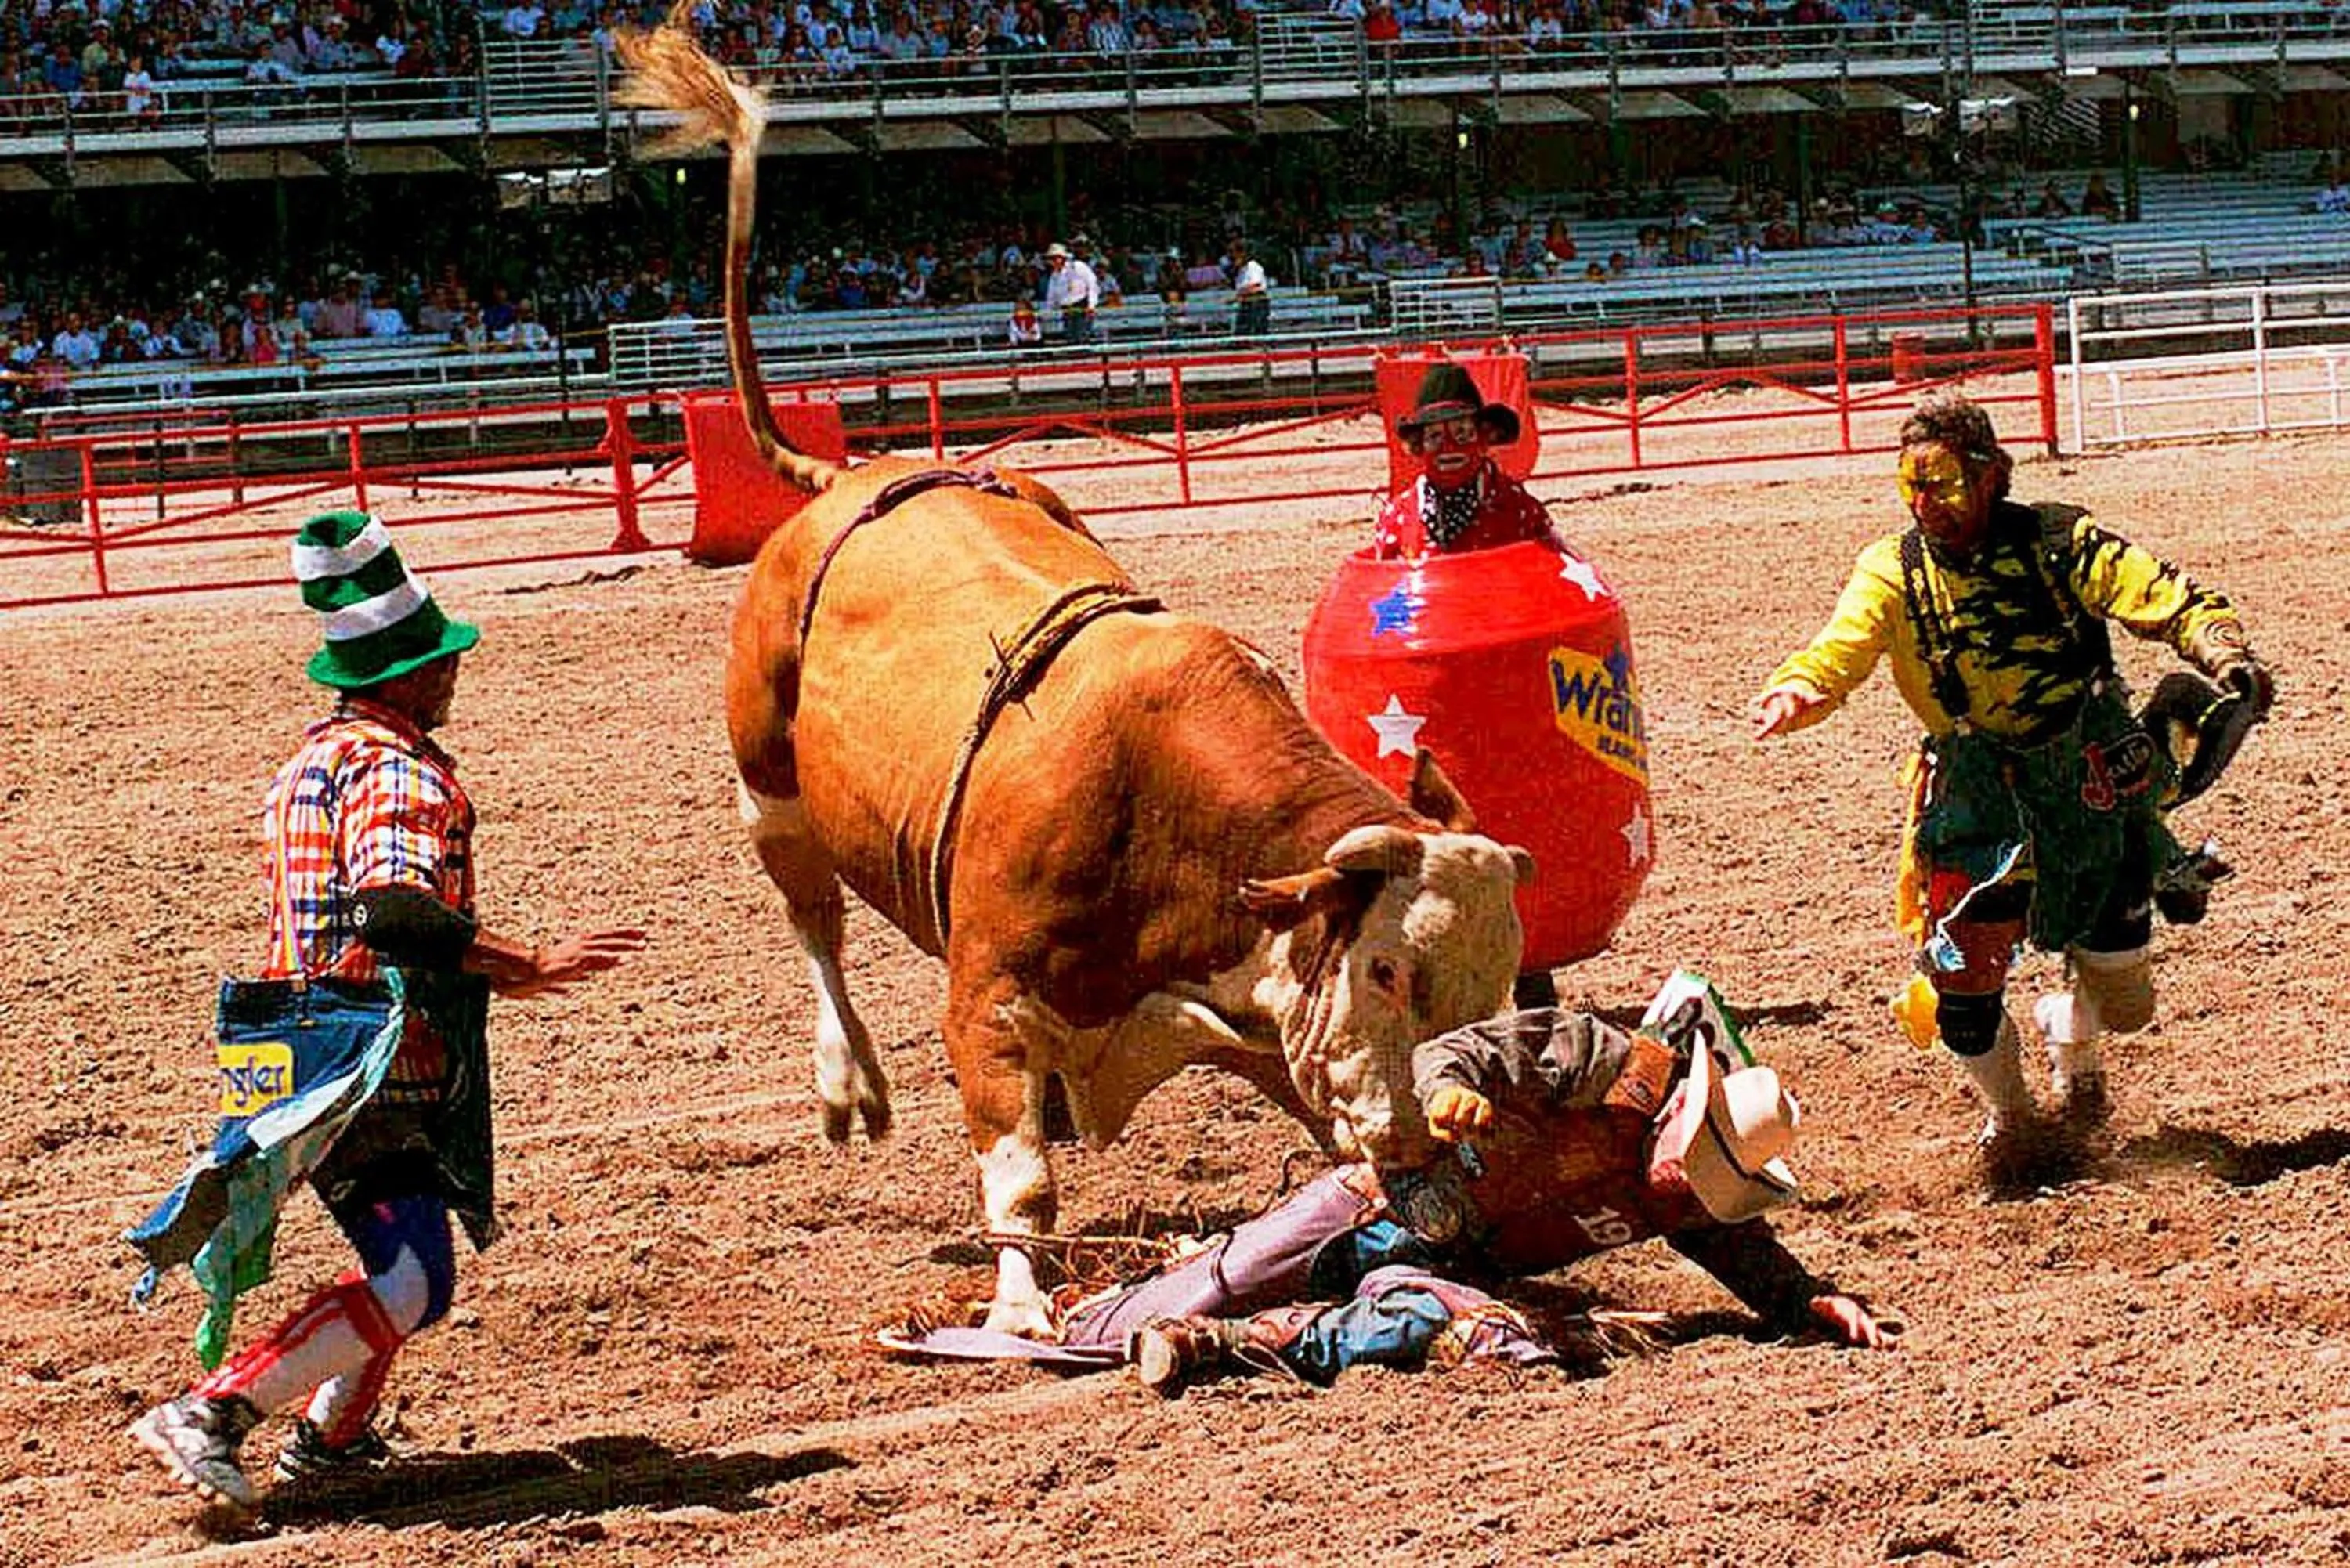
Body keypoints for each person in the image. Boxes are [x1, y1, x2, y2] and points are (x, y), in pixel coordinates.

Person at [125, 512, 646, 1512]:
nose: (454, 674)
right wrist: (521, 961)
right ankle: (215, 1411)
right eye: (438, 662)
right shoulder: (398, 770)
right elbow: (390, 908)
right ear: (398, 677)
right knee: (411, 1276)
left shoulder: (307, 764)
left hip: (288, 1040)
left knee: (411, 1254)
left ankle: (333, 1441)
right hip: (359, 1053)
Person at [897, 974, 1895, 1393]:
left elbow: (1737, 1244)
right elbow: (1451, 1060)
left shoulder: (1675, 1191)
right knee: (1196, 1288)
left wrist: (1807, 1297)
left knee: (1476, 1332)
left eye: (1702, 1196)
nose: (1686, 1203)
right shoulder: (1590, 1056)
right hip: (1379, 1203)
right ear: (1689, 1121)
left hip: (1454, 1266)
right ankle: (1098, 1319)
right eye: (1698, 1180)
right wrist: (1448, 1099)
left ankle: (1239, 1350)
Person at [1752, 392, 2271, 1176]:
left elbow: (2164, 596)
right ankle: (2015, 1122)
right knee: (1963, 971)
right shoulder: (1890, 569)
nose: (1928, 504)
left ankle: (2079, 1033)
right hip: (1973, 794)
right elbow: (1840, 649)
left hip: (2091, 772)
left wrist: (2223, 652)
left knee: (2127, 996)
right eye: (1912, 485)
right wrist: (1799, 691)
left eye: (1946, 483)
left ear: (1992, 476)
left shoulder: (2061, 540)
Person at [1039, 241, 1099, 344]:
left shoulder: (1078, 267)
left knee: (1082, 337)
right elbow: (1051, 297)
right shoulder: (1054, 276)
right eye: (1051, 259)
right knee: (1071, 338)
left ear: (1062, 258)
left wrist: (1091, 305)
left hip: (1082, 307)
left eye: (1055, 258)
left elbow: (1092, 284)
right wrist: (1047, 312)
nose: (1053, 262)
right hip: (1067, 310)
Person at [1227, 236, 1270, 336]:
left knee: (1256, 330)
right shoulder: (1240, 270)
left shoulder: (1253, 267)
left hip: (1256, 303)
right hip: (1246, 303)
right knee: (1242, 331)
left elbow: (1255, 286)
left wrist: (1237, 296)